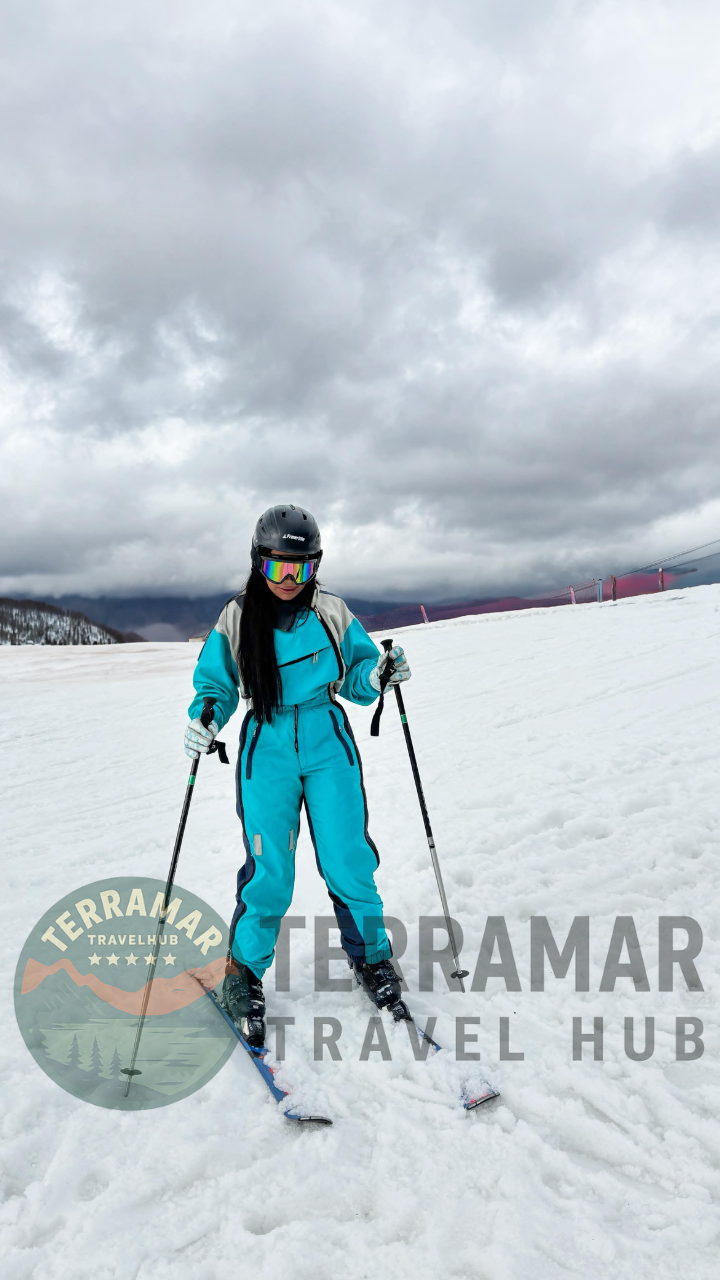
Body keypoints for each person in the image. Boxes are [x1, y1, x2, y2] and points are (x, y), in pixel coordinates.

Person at [184, 503, 410, 1046]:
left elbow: (357, 675)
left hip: (328, 740)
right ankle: (242, 972)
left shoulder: (331, 611)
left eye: (303, 567)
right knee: (271, 869)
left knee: (348, 857)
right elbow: (215, 685)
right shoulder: (237, 617)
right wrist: (205, 718)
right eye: (279, 566)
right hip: (267, 747)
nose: (290, 579)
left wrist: (379, 673)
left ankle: (372, 958)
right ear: (259, 562)